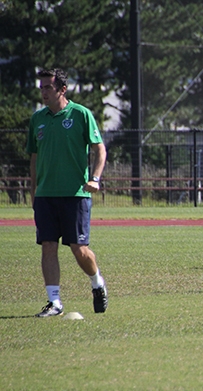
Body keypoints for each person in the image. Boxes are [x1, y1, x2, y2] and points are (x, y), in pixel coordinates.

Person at [27, 68, 108, 317]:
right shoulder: (37, 119)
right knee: (48, 246)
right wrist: (33, 191)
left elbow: (100, 150)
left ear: (63, 89)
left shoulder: (81, 114)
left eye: (48, 87)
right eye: (41, 88)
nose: (43, 92)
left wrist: (94, 179)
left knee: (79, 249)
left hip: (75, 194)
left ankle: (97, 283)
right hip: (45, 196)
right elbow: (34, 158)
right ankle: (55, 302)